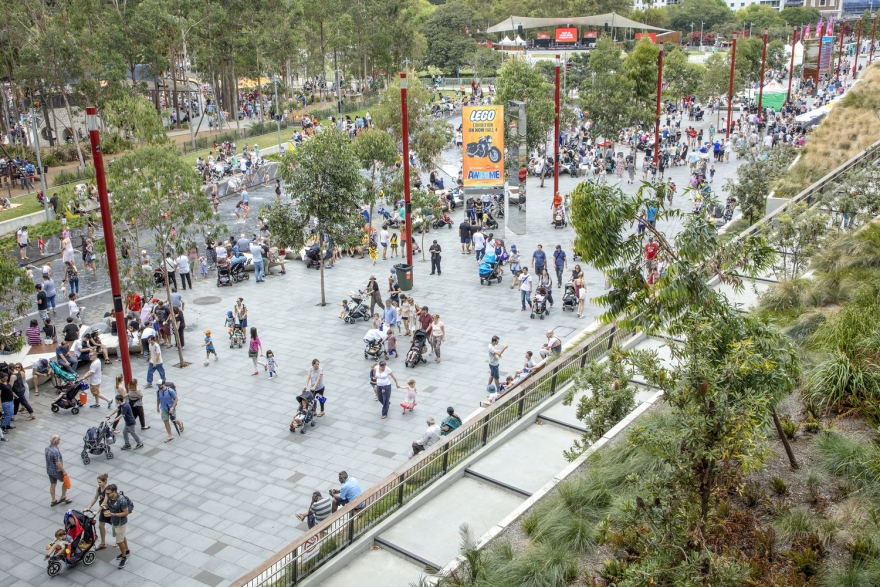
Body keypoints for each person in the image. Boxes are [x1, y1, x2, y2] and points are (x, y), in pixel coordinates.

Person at [102, 484, 130, 569]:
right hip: (114, 522)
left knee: (119, 541)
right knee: (121, 536)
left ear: (114, 492)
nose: (106, 495)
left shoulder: (122, 501)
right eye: (106, 493)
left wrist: (113, 514)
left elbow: (126, 513)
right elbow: (109, 506)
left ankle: (124, 557)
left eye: (108, 494)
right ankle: (127, 550)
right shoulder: (110, 499)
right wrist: (105, 506)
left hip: (121, 523)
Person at [84, 473, 111, 550]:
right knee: (101, 526)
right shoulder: (98, 488)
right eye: (98, 482)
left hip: (109, 509)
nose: (98, 484)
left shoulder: (107, 489)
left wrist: (97, 512)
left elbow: (104, 502)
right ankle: (103, 543)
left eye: (100, 482)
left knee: (115, 526)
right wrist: (88, 507)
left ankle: (119, 541)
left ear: (105, 481)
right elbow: (95, 498)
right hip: (103, 509)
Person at [46, 435, 71, 506]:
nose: (60, 440)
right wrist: (64, 471)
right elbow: (58, 463)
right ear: (56, 442)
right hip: (56, 471)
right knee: (66, 481)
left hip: (49, 470)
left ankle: (53, 500)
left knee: (53, 484)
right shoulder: (55, 451)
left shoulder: (47, 448)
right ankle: (63, 497)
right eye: (59, 439)